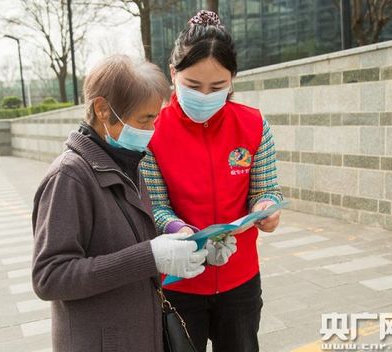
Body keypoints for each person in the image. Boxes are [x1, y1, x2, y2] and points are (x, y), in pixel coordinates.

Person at [31, 55, 208, 352]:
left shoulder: (126, 164)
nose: (152, 129)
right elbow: (50, 277)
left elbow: (139, 247)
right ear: (102, 109)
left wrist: (193, 246)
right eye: (144, 119)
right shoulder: (70, 177)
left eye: (155, 118)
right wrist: (150, 256)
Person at [141, 10, 284, 352]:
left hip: (241, 282)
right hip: (180, 283)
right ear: (173, 74)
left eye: (217, 87)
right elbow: (156, 205)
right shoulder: (151, 131)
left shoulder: (253, 125)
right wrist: (181, 230)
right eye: (192, 86)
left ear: (233, 80)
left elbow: (266, 189)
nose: (205, 95)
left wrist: (266, 208)